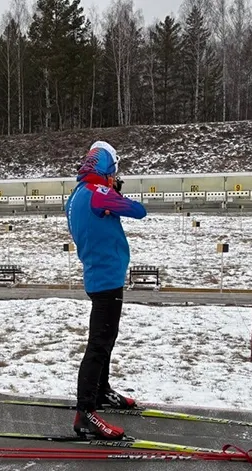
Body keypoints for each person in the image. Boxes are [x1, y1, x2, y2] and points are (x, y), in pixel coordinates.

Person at [65, 141, 147, 439]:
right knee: (99, 345)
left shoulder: (76, 195)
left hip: (98, 275)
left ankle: (101, 391)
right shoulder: (97, 194)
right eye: (113, 173)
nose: (115, 178)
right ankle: (85, 411)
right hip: (106, 278)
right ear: (105, 170)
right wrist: (114, 194)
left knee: (105, 340)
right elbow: (139, 211)